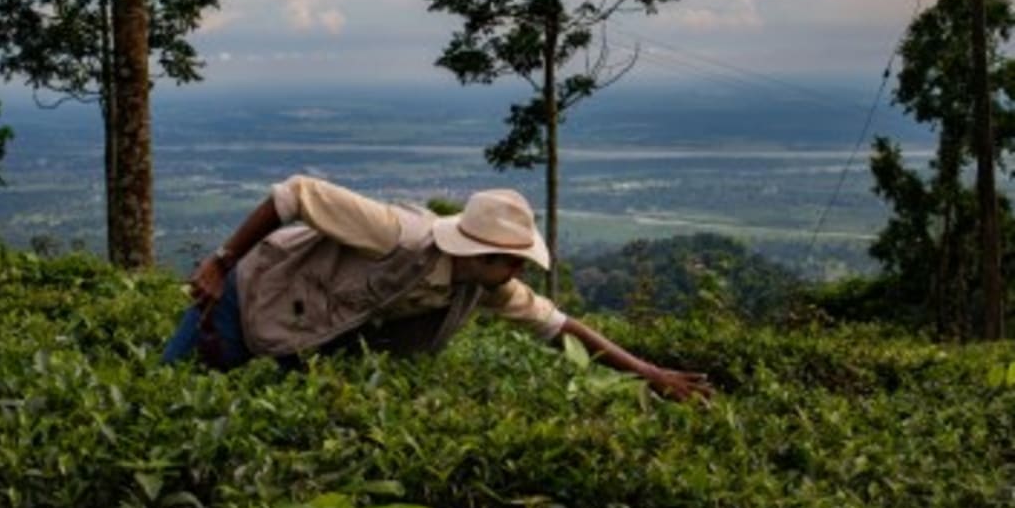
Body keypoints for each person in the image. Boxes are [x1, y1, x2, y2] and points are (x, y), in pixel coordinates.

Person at [164, 174, 712, 402]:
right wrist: (220, 261)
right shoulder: (397, 235)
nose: (519, 275)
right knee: (168, 393)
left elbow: (559, 325)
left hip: (303, 335)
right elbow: (293, 194)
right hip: (247, 296)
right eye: (513, 263)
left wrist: (650, 373)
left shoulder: (484, 287)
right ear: (483, 254)